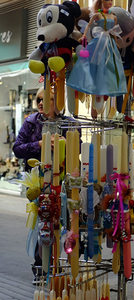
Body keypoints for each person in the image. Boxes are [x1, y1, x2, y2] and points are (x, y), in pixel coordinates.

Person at [13, 87, 74, 284]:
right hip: (39, 184)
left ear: (58, 103)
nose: (40, 103)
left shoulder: (69, 124)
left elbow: (79, 148)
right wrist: (39, 145)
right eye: (38, 99)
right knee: (43, 225)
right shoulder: (31, 123)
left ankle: (60, 264)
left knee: (64, 223)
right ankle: (41, 268)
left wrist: (68, 143)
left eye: (46, 99)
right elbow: (18, 149)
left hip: (64, 182)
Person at [67, 0, 127, 98]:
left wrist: (116, 42)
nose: (110, 2)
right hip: (99, 41)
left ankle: (107, 86)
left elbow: (114, 31)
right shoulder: (97, 15)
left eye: (111, 0)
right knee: (94, 62)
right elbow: (88, 26)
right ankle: (91, 83)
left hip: (109, 42)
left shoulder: (114, 16)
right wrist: (84, 35)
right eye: (108, 0)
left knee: (110, 64)